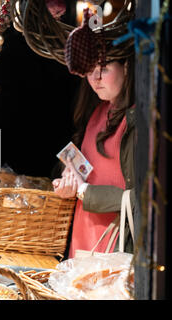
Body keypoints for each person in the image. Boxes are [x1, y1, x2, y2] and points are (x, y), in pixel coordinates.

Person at [53, 56, 136, 258]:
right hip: (84, 234)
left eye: (104, 69)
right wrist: (68, 183)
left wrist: (83, 190)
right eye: (90, 70)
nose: (95, 79)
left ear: (126, 67)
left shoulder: (138, 120)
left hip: (116, 242)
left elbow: (143, 199)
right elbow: (88, 172)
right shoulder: (97, 109)